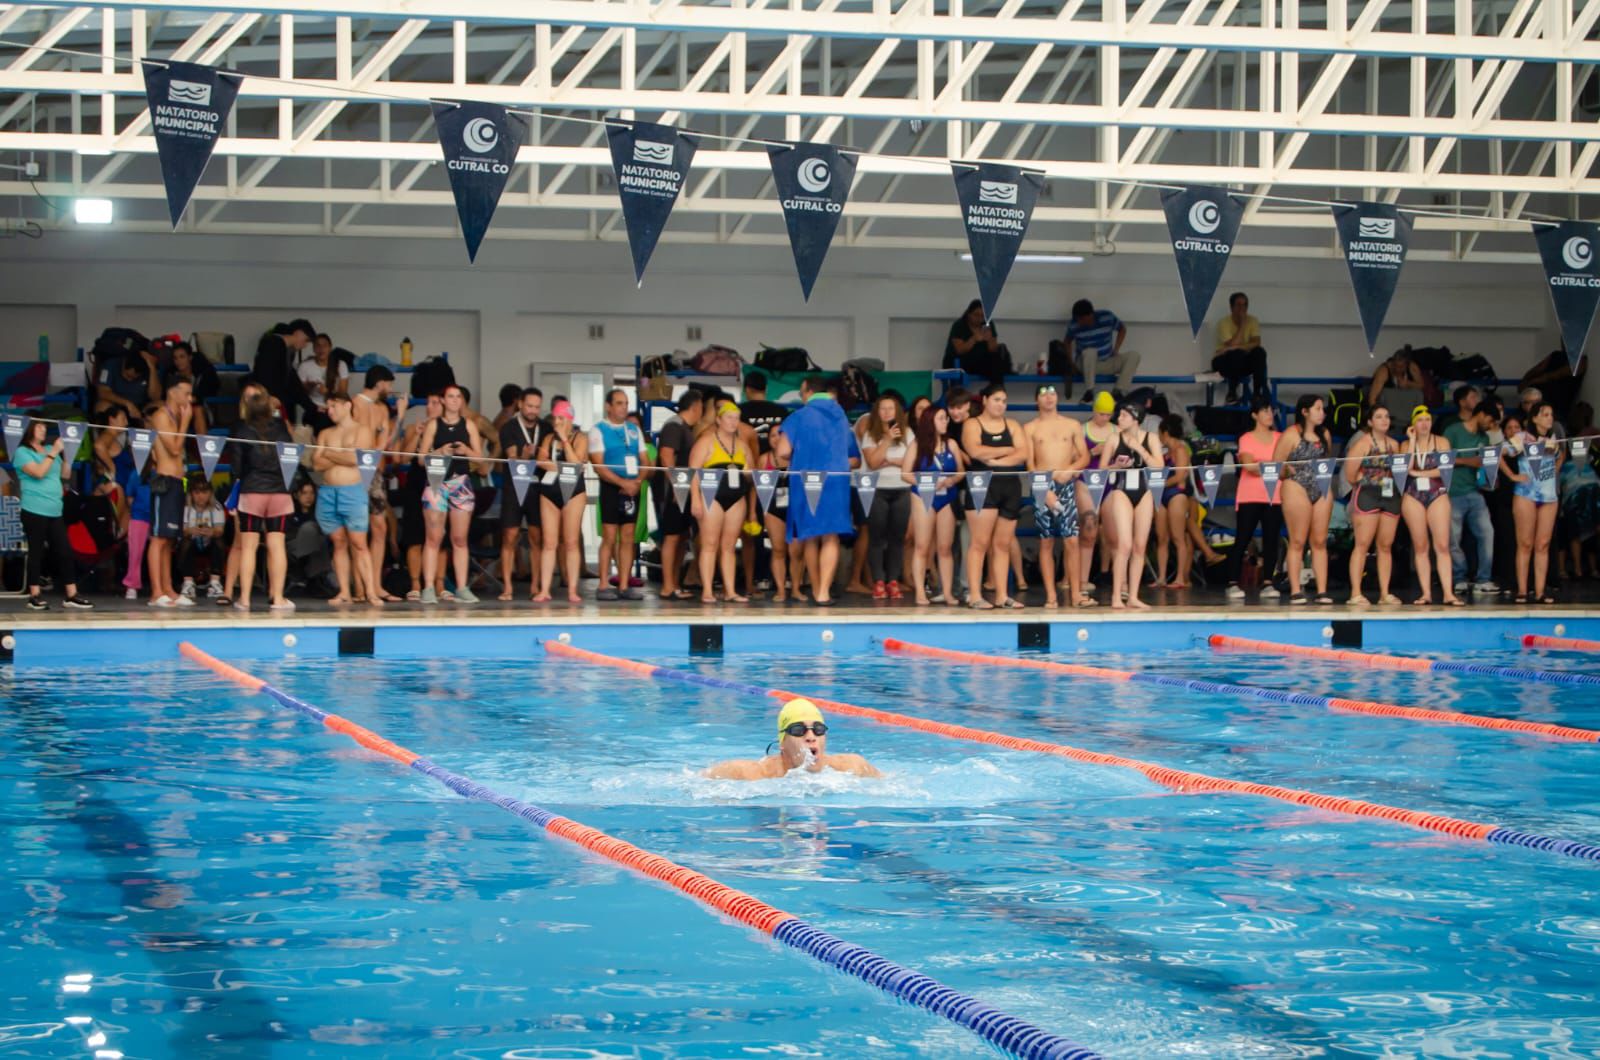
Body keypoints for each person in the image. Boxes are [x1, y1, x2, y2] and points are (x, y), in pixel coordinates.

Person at [775, 376, 860, 606]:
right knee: (831, 536)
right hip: (836, 482)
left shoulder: (799, 416)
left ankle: (814, 589)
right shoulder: (842, 417)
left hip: (807, 481)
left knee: (810, 535)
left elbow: (782, 451)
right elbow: (854, 458)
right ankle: (824, 592)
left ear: (808, 392)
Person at [960, 382, 1030, 610]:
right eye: (997, 400)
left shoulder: (1012, 425)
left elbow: (1023, 454)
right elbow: (975, 451)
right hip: (982, 486)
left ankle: (1001, 595)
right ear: (985, 400)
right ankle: (975, 595)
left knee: (1002, 544)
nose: (1001, 405)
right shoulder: (973, 424)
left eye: (1004, 401)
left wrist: (995, 461)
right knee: (979, 543)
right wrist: (1007, 450)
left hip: (1009, 486)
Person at [14, 419, 93, 611]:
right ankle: (34, 595)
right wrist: (54, 452)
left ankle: (71, 594)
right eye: (38, 426)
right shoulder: (22, 453)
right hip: (34, 509)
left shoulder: (50, 449)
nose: (43, 430)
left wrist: (68, 455)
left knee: (65, 551)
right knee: (36, 552)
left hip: (55, 510)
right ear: (29, 429)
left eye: (44, 426)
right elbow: (39, 472)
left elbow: (65, 474)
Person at [416, 384, 484, 605]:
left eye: (458, 397)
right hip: (436, 483)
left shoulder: (470, 425)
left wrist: (466, 451)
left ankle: (462, 587)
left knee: (459, 539)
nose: (455, 400)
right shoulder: (434, 425)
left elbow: (481, 460)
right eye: (450, 396)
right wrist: (440, 452)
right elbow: (420, 458)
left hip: (461, 483)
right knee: (433, 538)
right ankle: (427, 587)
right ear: (443, 400)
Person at [229, 389, 296, 611]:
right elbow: (290, 461)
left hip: (252, 491)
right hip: (279, 492)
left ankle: (245, 599)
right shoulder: (281, 429)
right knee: (277, 546)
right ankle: (277, 598)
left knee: (248, 547)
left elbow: (236, 468)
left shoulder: (241, 430)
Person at [1025, 382, 1089, 608]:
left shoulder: (1072, 425)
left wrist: (1070, 471)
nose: (1049, 398)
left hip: (1066, 484)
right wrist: (1045, 490)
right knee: (1046, 541)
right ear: (1037, 401)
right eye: (1044, 395)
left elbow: (1084, 456)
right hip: (1042, 486)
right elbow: (1031, 466)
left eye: (1053, 394)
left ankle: (1075, 595)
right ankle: (1051, 596)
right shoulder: (1030, 428)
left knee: (1072, 540)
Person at [705, 698, 880, 781]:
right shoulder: (751, 773)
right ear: (782, 742)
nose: (811, 737)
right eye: (798, 730)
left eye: (818, 729)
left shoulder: (852, 767)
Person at [1096, 401, 1163, 610]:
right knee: (1124, 544)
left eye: (1124, 415)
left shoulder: (1150, 438)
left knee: (1140, 546)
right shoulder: (1113, 439)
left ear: (1136, 419)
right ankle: (1117, 596)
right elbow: (1100, 470)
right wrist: (1115, 465)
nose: (1119, 419)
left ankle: (1133, 596)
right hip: (1121, 490)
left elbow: (1159, 466)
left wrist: (1139, 450)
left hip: (1144, 491)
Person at [685, 400, 754, 604]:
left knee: (729, 546)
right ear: (718, 420)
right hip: (710, 495)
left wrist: (749, 473)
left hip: (736, 497)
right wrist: (695, 500)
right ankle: (707, 590)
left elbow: (750, 474)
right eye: (729, 418)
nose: (734, 422)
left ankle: (730, 590)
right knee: (709, 544)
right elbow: (693, 472)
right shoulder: (706, 441)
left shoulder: (742, 445)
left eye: (737, 419)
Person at [312, 393, 376, 605]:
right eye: (328, 407)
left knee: (359, 543)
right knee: (338, 543)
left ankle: (371, 592)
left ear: (348, 405)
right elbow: (317, 464)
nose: (330, 411)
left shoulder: (362, 430)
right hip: (328, 492)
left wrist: (329, 453)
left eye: (333, 406)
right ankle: (344, 592)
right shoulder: (324, 432)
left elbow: (356, 459)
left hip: (353, 491)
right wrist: (341, 454)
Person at [588, 389, 649, 602]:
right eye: (619, 403)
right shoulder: (598, 430)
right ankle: (604, 584)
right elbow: (598, 465)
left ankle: (624, 584)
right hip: (611, 488)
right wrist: (622, 483)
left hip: (633, 486)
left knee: (629, 537)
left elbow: (645, 461)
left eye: (626, 403)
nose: (624, 407)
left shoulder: (633, 430)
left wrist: (637, 482)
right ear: (608, 406)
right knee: (610, 536)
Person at [1273, 394, 1335, 604]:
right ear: (1305, 411)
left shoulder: (1324, 434)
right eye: (1318, 409)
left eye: (1322, 409)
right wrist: (1286, 470)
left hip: (1320, 485)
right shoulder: (1291, 434)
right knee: (1298, 540)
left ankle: (1322, 590)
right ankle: (1295, 589)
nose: (1322, 413)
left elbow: (1326, 462)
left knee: (1319, 541)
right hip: (1296, 484)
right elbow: (1275, 466)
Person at [902, 404, 964, 607]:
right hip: (923, 495)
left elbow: (961, 472)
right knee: (922, 545)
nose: (946, 421)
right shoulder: (917, 445)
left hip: (947, 495)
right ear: (930, 421)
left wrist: (951, 481)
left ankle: (947, 592)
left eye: (946, 418)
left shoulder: (952, 444)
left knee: (945, 548)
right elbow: (905, 474)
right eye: (941, 418)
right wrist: (924, 483)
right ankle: (920, 592)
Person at [1401, 405, 1462, 606]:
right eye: (1420, 420)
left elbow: (1445, 469)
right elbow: (1405, 468)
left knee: (1442, 545)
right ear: (1413, 424)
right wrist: (1411, 441)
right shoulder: (1405, 445)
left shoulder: (1442, 441)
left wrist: (1419, 474)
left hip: (1437, 493)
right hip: (1413, 495)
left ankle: (1448, 593)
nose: (1424, 423)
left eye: (1427, 419)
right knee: (1420, 546)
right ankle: (1426, 593)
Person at [1505, 401, 1564, 603]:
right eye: (1545, 414)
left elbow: (1561, 454)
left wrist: (1554, 471)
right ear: (1535, 418)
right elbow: (1496, 454)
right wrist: (1513, 475)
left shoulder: (1553, 439)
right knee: (1525, 543)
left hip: (1549, 496)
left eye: (1551, 414)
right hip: (1525, 494)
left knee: (1543, 545)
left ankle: (1540, 592)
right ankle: (1522, 589)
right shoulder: (1522, 437)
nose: (1550, 418)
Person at [1153, 415, 1221, 590]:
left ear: (1165, 433)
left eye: (1160, 433)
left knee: (1178, 537)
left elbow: (1180, 476)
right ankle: (1161, 577)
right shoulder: (1165, 453)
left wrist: (1159, 484)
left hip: (1177, 494)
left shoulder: (1182, 450)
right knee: (1162, 538)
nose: (1159, 437)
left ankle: (1180, 578)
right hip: (1163, 495)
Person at [352, 364, 402, 603]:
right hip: (356, 471)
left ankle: (376, 584)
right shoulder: (355, 404)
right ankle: (360, 587)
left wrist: (399, 417)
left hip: (376, 473)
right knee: (357, 531)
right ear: (380, 382)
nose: (390, 389)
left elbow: (386, 444)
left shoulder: (382, 408)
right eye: (389, 384)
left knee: (379, 528)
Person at [1225, 395, 1283, 600]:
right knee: (1242, 538)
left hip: (1274, 495)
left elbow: (1284, 466)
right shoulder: (1246, 438)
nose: (1269, 415)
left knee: (1271, 539)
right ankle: (1232, 582)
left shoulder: (1280, 437)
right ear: (1254, 415)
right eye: (1265, 411)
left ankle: (1268, 582)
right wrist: (1271, 466)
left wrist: (1264, 465)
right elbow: (1248, 465)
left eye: (1271, 411)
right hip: (1250, 495)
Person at [1344, 405, 1402, 606]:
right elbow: (1350, 474)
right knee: (1362, 545)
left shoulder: (1395, 445)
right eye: (1379, 417)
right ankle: (1356, 593)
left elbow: (1401, 473)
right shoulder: (1362, 444)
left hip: (1390, 495)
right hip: (1367, 495)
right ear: (1370, 422)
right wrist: (1368, 482)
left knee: (1385, 546)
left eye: (1386, 416)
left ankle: (1385, 593)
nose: (1384, 420)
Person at [534, 399, 589, 604]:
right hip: (549, 491)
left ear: (569, 420)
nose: (556, 422)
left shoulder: (580, 438)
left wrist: (565, 441)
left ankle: (572, 589)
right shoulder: (548, 439)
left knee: (571, 542)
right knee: (549, 543)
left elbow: (578, 463)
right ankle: (545, 589)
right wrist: (561, 466)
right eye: (555, 418)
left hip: (574, 492)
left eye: (560, 418)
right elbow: (540, 461)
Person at [1444, 397, 1500, 595]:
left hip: (1475, 492)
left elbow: (1481, 465)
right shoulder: (1453, 431)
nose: (1491, 426)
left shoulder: (1484, 439)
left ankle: (1483, 579)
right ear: (1482, 414)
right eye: (1491, 421)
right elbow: (1444, 460)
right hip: (1453, 492)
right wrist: (1470, 461)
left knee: (1487, 533)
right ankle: (1459, 577)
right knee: (1453, 539)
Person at [145, 379, 193, 608]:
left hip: (176, 482)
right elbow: (174, 448)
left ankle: (168, 589)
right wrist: (186, 423)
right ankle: (156, 592)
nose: (190, 399)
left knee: (169, 539)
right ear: (173, 393)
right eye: (187, 394)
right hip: (163, 481)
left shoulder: (174, 417)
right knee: (157, 538)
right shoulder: (161, 416)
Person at [860, 394, 912, 600]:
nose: (887, 412)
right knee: (877, 538)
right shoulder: (870, 434)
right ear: (876, 412)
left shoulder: (908, 433)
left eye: (891, 408)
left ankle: (893, 580)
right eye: (882, 409)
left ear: (897, 411)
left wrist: (887, 459)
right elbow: (872, 463)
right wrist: (887, 440)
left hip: (902, 488)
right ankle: (878, 581)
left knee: (897, 538)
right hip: (877, 489)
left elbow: (912, 461)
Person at [497, 387, 546, 601]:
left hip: (538, 488)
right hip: (513, 487)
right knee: (510, 537)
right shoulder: (508, 428)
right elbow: (512, 458)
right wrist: (525, 456)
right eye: (529, 406)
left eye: (536, 407)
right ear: (520, 405)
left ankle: (536, 585)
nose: (533, 410)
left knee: (537, 537)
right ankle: (507, 586)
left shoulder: (546, 428)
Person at [654, 390, 703, 601]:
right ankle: (667, 586)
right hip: (673, 491)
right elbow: (666, 456)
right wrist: (676, 486)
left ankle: (675, 583)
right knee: (672, 537)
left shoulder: (686, 428)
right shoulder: (674, 426)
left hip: (683, 489)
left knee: (682, 537)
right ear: (695, 407)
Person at [1078, 391, 1117, 598]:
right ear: (1094, 411)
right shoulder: (1081, 430)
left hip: (1109, 484)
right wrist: (1093, 452)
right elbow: (1073, 458)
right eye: (1101, 414)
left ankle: (1121, 582)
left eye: (1108, 415)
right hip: (1085, 482)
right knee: (1089, 531)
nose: (1104, 418)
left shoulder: (1117, 431)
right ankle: (1082, 581)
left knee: (1114, 535)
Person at [1062, 298, 1138, 400]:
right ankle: (1090, 390)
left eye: (1082, 319)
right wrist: (1071, 363)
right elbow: (1067, 341)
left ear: (1090, 315)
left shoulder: (1107, 317)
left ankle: (1118, 391)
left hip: (1106, 361)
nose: (1079, 322)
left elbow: (1122, 329)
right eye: (1078, 320)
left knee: (1134, 356)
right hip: (1086, 364)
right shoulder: (1074, 324)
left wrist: (1116, 349)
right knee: (1090, 352)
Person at [253, 318, 318, 425]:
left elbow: (293, 382)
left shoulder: (285, 350)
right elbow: (265, 375)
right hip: (268, 403)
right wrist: (271, 398)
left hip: (274, 401)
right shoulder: (273, 345)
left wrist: (311, 406)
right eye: (306, 340)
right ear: (299, 332)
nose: (305, 345)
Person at [1367, 347, 1439, 434]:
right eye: (1395, 366)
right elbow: (1372, 398)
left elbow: (1421, 385)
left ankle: (1415, 420)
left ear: (1406, 365)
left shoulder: (1412, 367)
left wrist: (1408, 384)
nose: (1398, 369)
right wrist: (1378, 417)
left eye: (1401, 367)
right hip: (1389, 407)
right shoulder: (1384, 371)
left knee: (1418, 394)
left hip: (1406, 407)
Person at [1212, 292, 1268, 404]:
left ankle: (1257, 393)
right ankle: (1232, 392)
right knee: (1236, 353)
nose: (1242, 308)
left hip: (1242, 361)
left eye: (1245, 305)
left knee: (1259, 352)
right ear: (1231, 307)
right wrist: (1242, 324)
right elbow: (1232, 345)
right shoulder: (1223, 323)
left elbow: (1256, 343)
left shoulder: (1253, 320)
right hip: (1223, 362)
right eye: (1239, 305)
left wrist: (1233, 347)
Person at [177, 479, 225, 601]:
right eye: (197, 493)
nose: (201, 496)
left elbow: (220, 530)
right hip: (192, 543)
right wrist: (190, 531)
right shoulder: (186, 508)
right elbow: (182, 530)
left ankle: (215, 582)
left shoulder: (217, 507)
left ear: (210, 494)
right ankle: (188, 583)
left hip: (209, 543)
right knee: (185, 542)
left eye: (204, 492)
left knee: (219, 541)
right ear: (191, 494)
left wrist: (212, 532)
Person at [942, 299, 1010, 380]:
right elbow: (959, 350)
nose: (979, 319)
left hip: (980, 361)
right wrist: (973, 339)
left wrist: (989, 339)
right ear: (969, 314)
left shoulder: (988, 324)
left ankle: (996, 386)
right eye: (976, 315)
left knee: (999, 354)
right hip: (960, 361)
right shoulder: (959, 325)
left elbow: (993, 349)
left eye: (982, 316)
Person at [161, 342, 216, 436]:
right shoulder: (170, 374)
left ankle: (203, 448)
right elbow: (164, 396)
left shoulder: (202, 373)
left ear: (190, 357)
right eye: (175, 358)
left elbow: (202, 396)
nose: (178, 361)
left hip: (197, 409)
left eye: (182, 357)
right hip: (175, 409)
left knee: (197, 409)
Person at [94, 345, 161, 424]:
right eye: (128, 375)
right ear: (124, 363)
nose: (130, 380)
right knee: (101, 406)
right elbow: (102, 392)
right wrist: (127, 404)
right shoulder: (109, 365)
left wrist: (152, 368)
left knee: (160, 405)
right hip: (116, 406)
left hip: (140, 409)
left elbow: (156, 397)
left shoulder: (148, 370)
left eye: (134, 378)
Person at [298, 333, 349, 427]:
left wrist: (328, 392)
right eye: (318, 345)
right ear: (313, 349)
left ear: (330, 348)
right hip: (314, 409)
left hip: (335, 409)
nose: (321, 349)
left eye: (325, 345)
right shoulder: (304, 366)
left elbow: (343, 393)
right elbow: (299, 393)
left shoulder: (341, 365)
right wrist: (310, 386)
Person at [1521, 348, 1589, 418]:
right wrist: (1525, 380)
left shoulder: (1581, 360)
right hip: (1537, 398)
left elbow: (1560, 373)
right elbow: (1538, 368)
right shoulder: (1556, 355)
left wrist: (1536, 380)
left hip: (1557, 406)